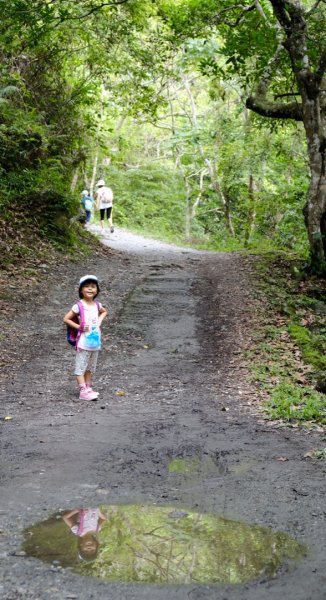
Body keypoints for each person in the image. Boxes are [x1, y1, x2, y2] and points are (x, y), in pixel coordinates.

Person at [64, 275, 108, 401]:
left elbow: (104, 311)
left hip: (95, 342)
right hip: (83, 341)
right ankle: (83, 391)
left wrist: (99, 320)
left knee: (90, 367)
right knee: (80, 367)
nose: (90, 289)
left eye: (93, 287)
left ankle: (88, 387)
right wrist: (79, 327)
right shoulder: (79, 305)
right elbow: (66, 319)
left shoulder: (97, 305)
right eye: (87, 286)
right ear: (81, 290)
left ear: (97, 290)